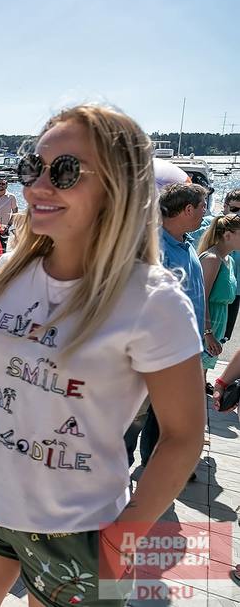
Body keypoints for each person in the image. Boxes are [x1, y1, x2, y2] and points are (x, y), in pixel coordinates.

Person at [0, 105, 203, 607]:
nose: (38, 187)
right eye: (33, 168)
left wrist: (127, 537)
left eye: (65, 172)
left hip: (80, 529)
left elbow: (182, 437)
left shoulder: (152, 301)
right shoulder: (9, 270)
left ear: (118, 187)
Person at [124, 182, 207, 469]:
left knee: (161, 421)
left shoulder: (186, 243)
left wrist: (203, 331)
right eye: (201, 207)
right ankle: (120, 473)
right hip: (155, 354)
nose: (204, 212)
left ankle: (153, 470)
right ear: (187, 210)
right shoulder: (154, 248)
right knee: (135, 420)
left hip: (178, 353)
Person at [198, 214, 240, 378]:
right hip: (207, 326)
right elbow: (202, 298)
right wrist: (207, 333)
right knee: (195, 375)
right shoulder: (212, 259)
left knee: (203, 373)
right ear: (227, 235)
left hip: (218, 323)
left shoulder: (229, 260)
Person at [220, 189, 240, 341]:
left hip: (235, 291)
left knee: (223, 338)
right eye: (234, 209)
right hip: (214, 290)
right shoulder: (212, 226)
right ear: (225, 206)